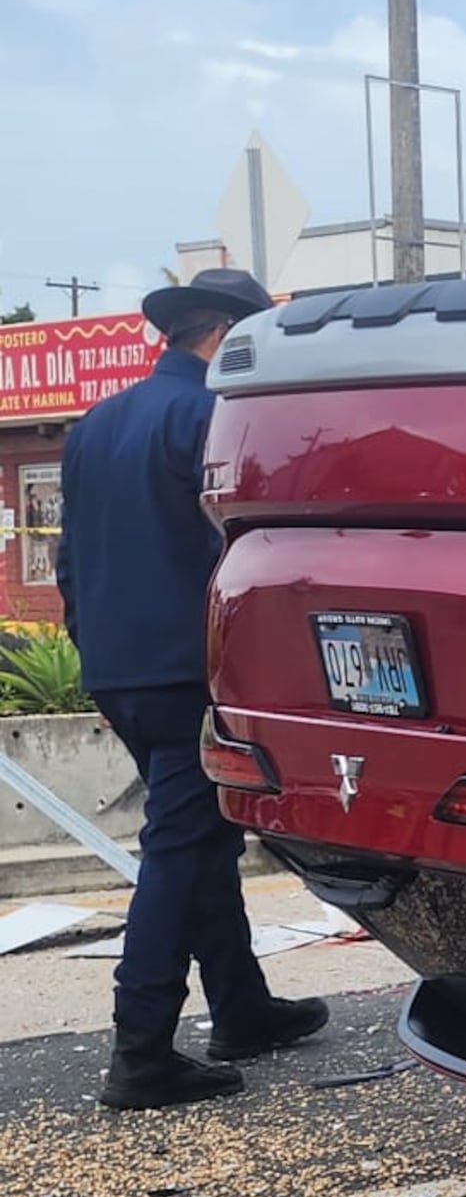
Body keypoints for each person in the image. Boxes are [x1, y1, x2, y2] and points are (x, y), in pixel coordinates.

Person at [57, 268, 329, 1109]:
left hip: (118, 669)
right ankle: (141, 1046)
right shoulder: (213, 418)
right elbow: (253, 548)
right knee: (178, 850)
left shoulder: (96, 424)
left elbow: (70, 561)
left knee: (202, 837)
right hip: (195, 668)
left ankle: (242, 1007)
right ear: (228, 337)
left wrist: (93, 649)